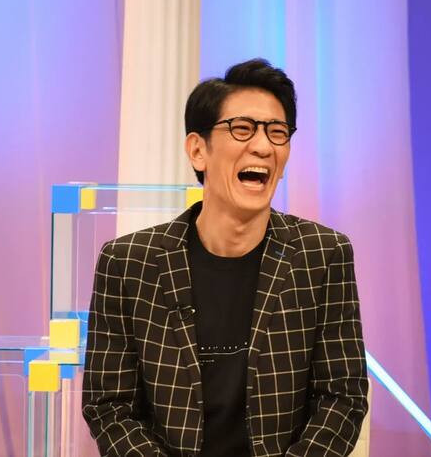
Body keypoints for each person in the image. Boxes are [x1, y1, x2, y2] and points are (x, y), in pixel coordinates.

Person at [82, 58, 368, 456]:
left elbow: (342, 397)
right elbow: (109, 406)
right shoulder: (128, 263)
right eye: (242, 128)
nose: (264, 147)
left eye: (278, 132)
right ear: (198, 150)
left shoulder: (322, 255)